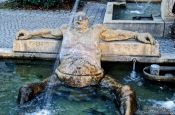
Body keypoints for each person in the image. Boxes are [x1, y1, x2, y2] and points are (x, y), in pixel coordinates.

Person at [16, 12, 155, 115]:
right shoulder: (66, 29)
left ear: (88, 21)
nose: (80, 19)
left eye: (83, 18)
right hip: (61, 78)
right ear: (73, 21)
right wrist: (30, 33)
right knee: (25, 90)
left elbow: (117, 34)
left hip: (96, 78)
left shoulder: (97, 30)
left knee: (127, 93)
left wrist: (137, 35)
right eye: (77, 18)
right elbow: (48, 32)